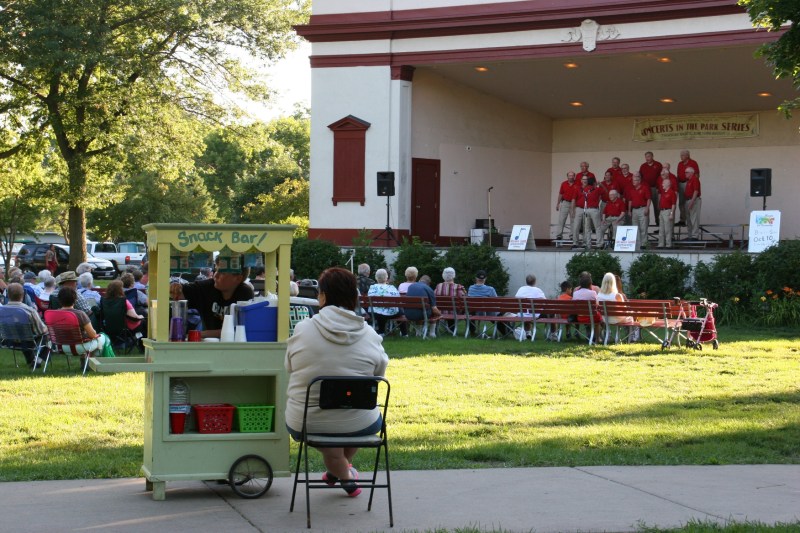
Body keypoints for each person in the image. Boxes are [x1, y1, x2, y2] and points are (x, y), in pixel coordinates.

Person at [284, 267, 389, 498]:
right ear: (354, 297)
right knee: (354, 423)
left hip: (307, 420)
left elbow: (289, 366)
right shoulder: (370, 334)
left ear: (322, 296)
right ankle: (344, 473)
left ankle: (340, 473)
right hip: (358, 419)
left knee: (332, 434)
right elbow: (379, 373)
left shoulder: (303, 329)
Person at [169, 257, 253, 339]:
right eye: (216, 270)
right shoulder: (207, 287)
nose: (215, 275)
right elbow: (179, 294)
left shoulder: (245, 293)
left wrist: (199, 334)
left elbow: (239, 330)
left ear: (238, 278)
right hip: (208, 347)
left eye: (222, 272)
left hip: (236, 348)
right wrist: (175, 288)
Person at [47, 286, 107, 356]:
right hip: (78, 347)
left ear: (59, 300)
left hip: (59, 346)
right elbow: (92, 334)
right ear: (75, 300)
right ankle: (90, 362)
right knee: (104, 338)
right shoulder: (80, 314)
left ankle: (87, 361)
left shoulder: (52, 314)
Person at [2, 283, 47, 368]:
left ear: (8, 295)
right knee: (49, 335)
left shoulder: (1, 310)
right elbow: (41, 330)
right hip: (28, 341)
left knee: (23, 333)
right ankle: (38, 361)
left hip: (8, 340)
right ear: (23, 295)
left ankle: (31, 360)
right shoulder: (29, 311)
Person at [366, 269, 407, 336]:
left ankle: (381, 332)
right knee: (399, 310)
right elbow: (398, 300)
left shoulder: (372, 287)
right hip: (391, 313)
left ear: (376, 277)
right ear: (386, 277)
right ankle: (404, 333)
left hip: (375, 313)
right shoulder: (392, 287)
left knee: (380, 310)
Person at [467, 269, 505, 336]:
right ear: (485, 279)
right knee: (500, 313)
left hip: (475, 313)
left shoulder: (471, 288)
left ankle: (472, 331)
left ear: (476, 278)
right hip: (488, 312)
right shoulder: (490, 289)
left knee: (472, 311)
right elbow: (497, 301)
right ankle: (507, 332)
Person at [572, 174, 602, 249]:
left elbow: (599, 197)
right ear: (581, 181)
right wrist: (572, 210)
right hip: (579, 208)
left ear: (588, 181)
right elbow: (573, 200)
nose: (585, 181)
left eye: (586, 179)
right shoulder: (578, 188)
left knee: (586, 227)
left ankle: (586, 243)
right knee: (576, 226)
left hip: (588, 209)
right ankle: (575, 242)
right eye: (583, 179)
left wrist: (595, 204)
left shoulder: (594, 189)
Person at [434, 267, 466, 334]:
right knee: (457, 309)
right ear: (454, 275)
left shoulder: (438, 286)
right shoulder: (459, 287)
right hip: (455, 312)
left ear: (443, 275)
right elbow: (465, 299)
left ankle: (446, 329)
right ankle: (451, 330)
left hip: (440, 312)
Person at [514, 274, 546, 339]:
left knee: (526, 312)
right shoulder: (538, 290)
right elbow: (545, 302)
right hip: (535, 315)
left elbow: (516, 299)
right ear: (535, 282)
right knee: (551, 314)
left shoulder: (521, 289)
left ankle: (528, 332)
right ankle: (554, 334)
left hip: (521, 314)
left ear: (526, 282)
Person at [626, 173, 651, 250]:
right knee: (635, 228)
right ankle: (637, 244)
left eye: (635, 180)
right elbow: (630, 200)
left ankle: (644, 244)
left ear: (639, 181)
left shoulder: (644, 188)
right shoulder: (632, 190)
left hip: (642, 209)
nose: (633, 182)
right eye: (633, 180)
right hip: (634, 210)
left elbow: (649, 199)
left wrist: (647, 208)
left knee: (643, 227)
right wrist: (629, 210)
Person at [676, 149, 700, 225]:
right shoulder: (680, 163)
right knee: (681, 202)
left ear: (687, 155)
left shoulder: (693, 163)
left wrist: (692, 183)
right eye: (680, 155)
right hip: (680, 183)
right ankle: (682, 219)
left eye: (683, 155)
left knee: (689, 201)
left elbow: (696, 175)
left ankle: (689, 218)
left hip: (688, 183)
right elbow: (678, 174)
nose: (681, 157)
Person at [554, 171, 579, 240]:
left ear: (574, 176)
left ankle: (572, 235)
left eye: (572, 176)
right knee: (561, 219)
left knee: (573, 220)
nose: (571, 177)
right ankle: (559, 235)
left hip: (574, 203)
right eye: (569, 175)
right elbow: (561, 194)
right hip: (565, 202)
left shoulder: (578, 184)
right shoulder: (563, 184)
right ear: (567, 176)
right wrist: (558, 203)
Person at [639, 151, 663, 223]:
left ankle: (658, 224)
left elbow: (661, 177)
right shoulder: (643, 166)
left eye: (649, 156)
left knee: (657, 206)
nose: (647, 158)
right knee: (645, 207)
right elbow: (640, 177)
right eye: (646, 157)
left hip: (655, 188)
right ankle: (645, 224)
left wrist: (659, 188)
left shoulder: (658, 165)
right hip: (646, 189)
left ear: (652, 156)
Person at [657, 175, 678, 248]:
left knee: (667, 229)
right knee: (661, 229)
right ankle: (661, 244)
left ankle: (668, 244)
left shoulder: (672, 193)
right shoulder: (663, 192)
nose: (662, 184)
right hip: (662, 211)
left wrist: (671, 214)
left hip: (668, 211)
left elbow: (673, 204)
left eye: (663, 183)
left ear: (668, 184)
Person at [684, 167, 702, 241]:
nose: (685, 174)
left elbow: (696, 191)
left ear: (691, 173)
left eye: (687, 172)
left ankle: (695, 236)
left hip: (693, 200)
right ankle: (690, 235)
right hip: (688, 200)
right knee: (688, 219)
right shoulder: (689, 181)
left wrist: (692, 201)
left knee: (694, 218)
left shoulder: (695, 179)